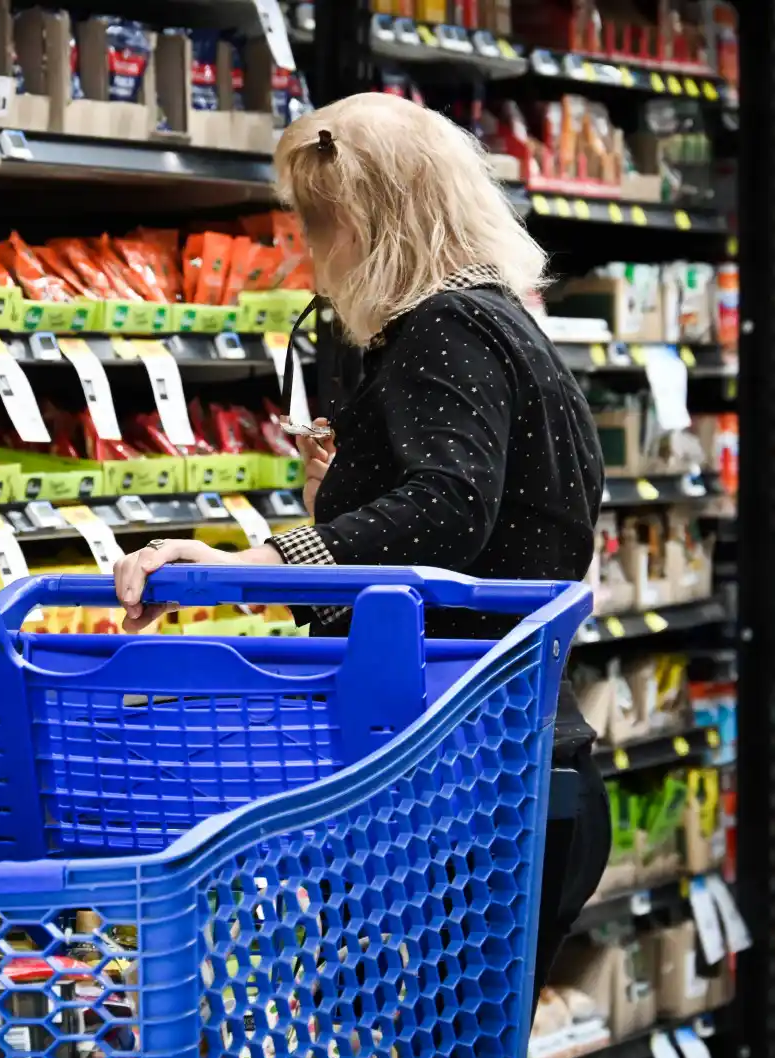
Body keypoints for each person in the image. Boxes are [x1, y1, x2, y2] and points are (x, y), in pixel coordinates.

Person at [111, 91, 609, 1005]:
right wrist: (336, 498)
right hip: (509, 764)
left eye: (315, 224)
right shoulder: (500, 324)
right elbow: (478, 532)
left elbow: (447, 510)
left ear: (370, 222)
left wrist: (253, 564)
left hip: (458, 785)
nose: (309, 253)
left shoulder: (443, 331)